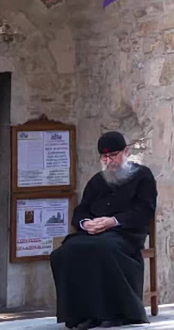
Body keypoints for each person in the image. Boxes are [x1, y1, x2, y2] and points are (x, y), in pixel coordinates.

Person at [50, 131, 157, 329]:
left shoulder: (142, 176)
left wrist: (113, 221)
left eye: (113, 155)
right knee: (64, 252)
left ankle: (116, 314)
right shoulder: (97, 181)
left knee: (104, 249)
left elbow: (144, 210)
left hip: (125, 234)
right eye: (104, 157)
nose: (109, 161)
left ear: (125, 152)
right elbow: (81, 211)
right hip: (94, 234)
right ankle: (81, 315)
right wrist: (85, 223)